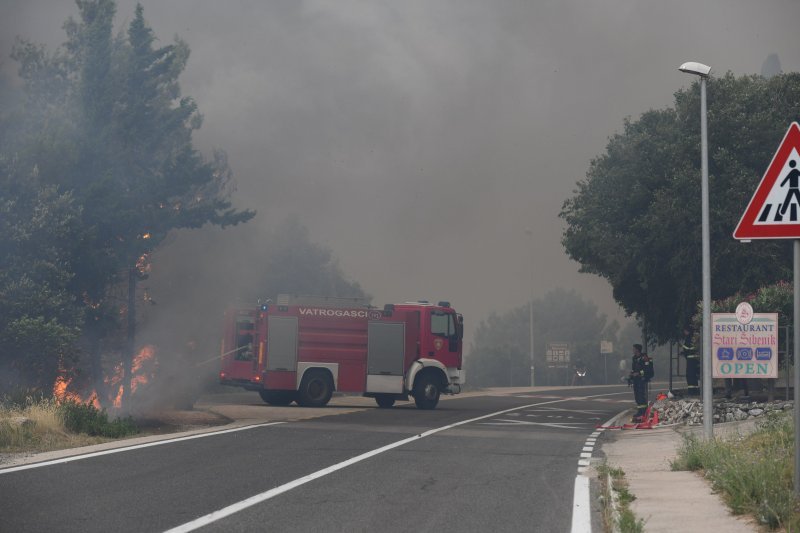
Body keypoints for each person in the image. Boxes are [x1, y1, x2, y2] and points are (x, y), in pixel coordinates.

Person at [628, 344, 652, 421]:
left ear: (637, 350)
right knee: (637, 396)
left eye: (634, 349)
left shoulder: (644, 358)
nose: (633, 350)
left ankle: (643, 412)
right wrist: (631, 374)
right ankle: (639, 411)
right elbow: (633, 369)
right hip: (636, 380)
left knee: (641, 395)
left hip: (642, 379)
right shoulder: (634, 358)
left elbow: (647, 369)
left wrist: (638, 373)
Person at [680, 327, 700, 396]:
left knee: (690, 375)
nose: (684, 333)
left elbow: (686, 349)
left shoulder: (688, 338)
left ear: (687, 331)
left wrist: (684, 353)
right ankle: (696, 390)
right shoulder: (696, 338)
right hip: (697, 359)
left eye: (685, 331)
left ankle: (692, 391)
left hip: (691, 360)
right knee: (695, 375)